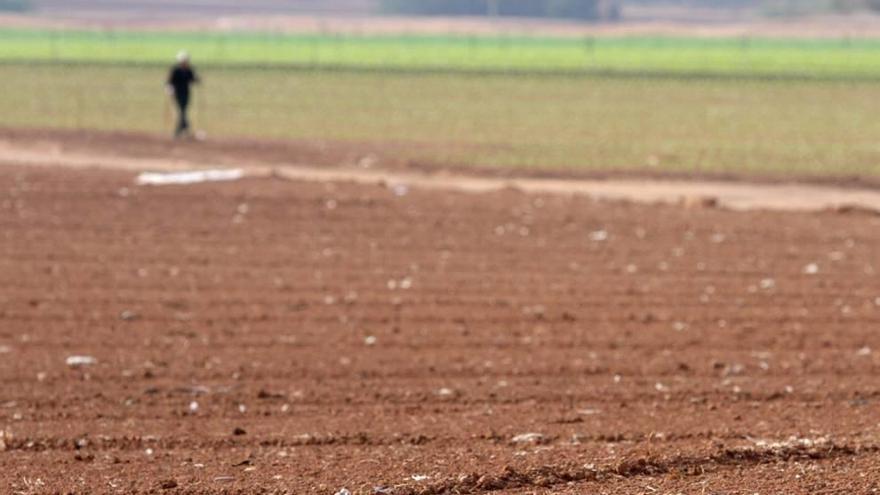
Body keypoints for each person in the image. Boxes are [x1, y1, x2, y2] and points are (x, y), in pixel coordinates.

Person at [166, 51, 200, 138]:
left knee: (183, 111)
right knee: (182, 111)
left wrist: (197, 79)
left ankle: (181, 131)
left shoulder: (189, 70)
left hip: (186, 93)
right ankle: (182, 130)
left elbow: (193, 80)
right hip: (177, 94)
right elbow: (170, 81)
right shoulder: (175, 70)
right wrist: (169, 89)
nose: (185, 62)